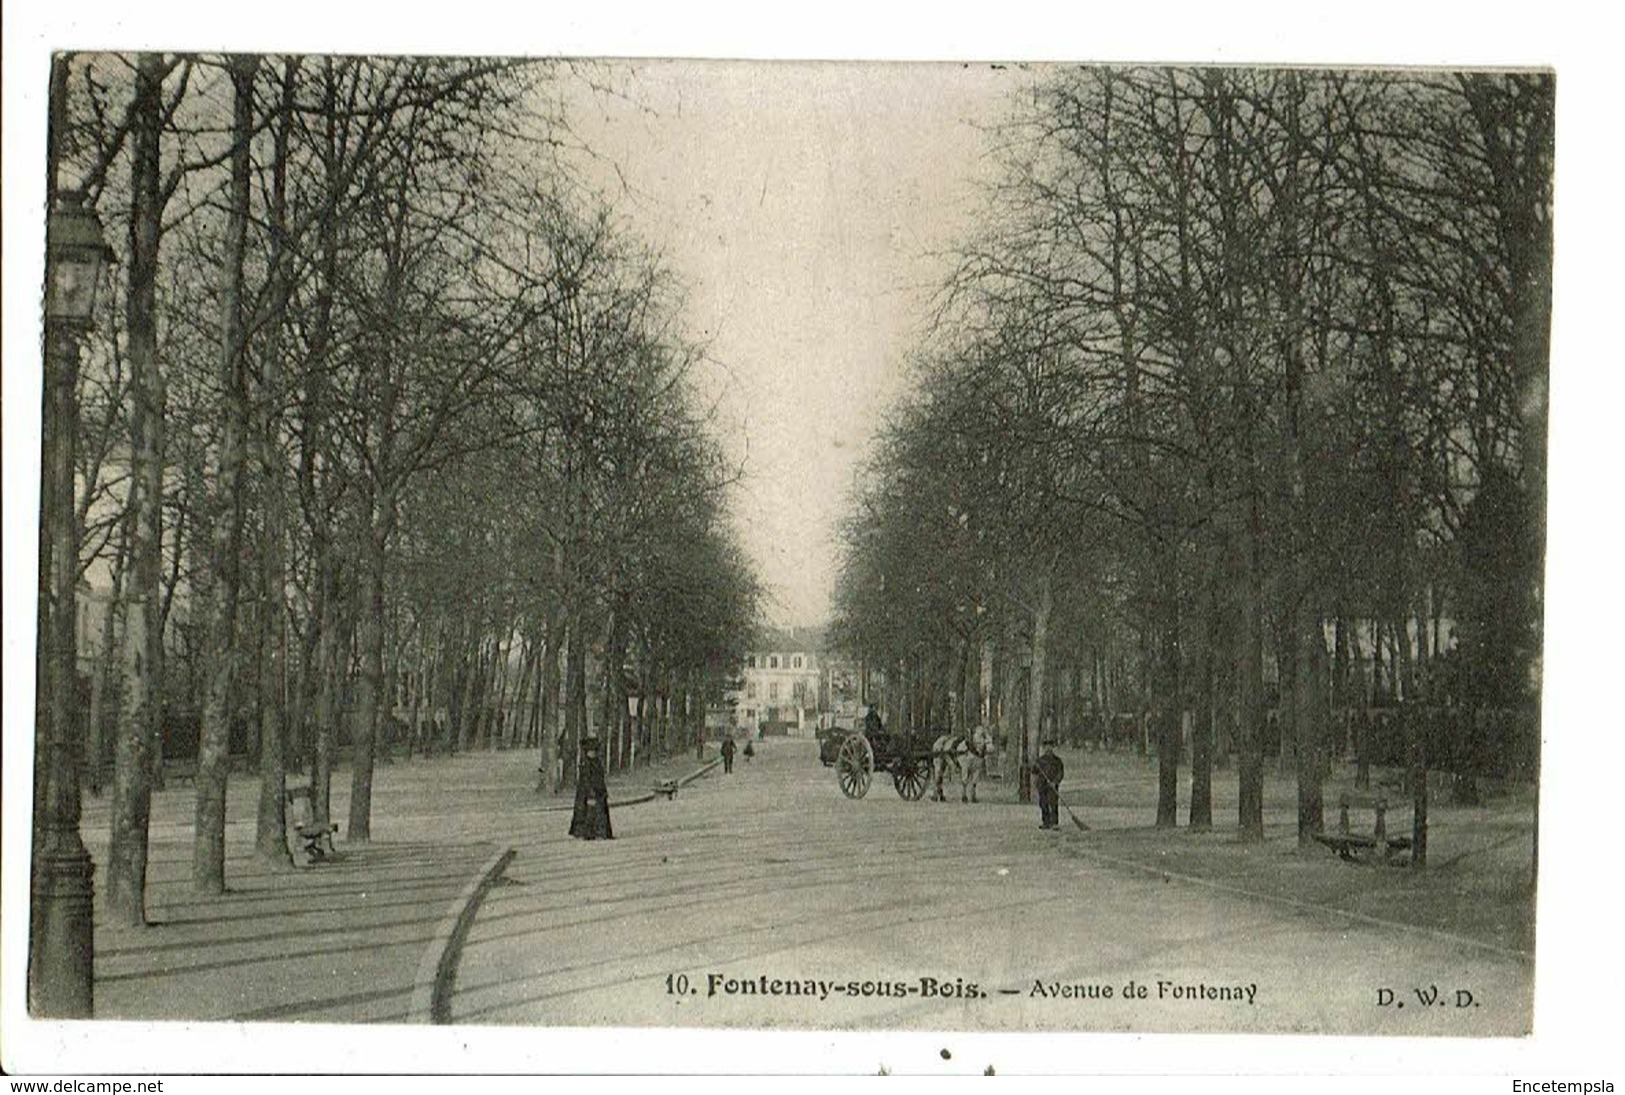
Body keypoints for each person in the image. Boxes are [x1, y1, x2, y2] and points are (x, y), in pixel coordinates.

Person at [569, 736, 613, 840]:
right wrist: (590, 793)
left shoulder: (597, 762)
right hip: (588, 791)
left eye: (594, 751)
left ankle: (599, 832)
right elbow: (586, 781)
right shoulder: (586, 764)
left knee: (598, 812)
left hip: (597, 790)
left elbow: (599, 778)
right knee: (589, 812)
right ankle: (587, 832)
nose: (592, 753)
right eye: (590, 751)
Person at [1031, 738, 1065, 831]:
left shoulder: (1057, 761)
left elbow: (1060, 773)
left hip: (1053, 785)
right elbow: (1034, 772)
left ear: (1052, 748)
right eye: (1046, 747)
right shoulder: (1040, 761)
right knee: (1043, 803)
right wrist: (1036, 783)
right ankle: (1046, 822)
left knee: (1053, 803)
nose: (1048, 749)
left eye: (1050, 747)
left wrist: (1055, 782)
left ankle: (1054, 822)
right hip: (1042, 785)